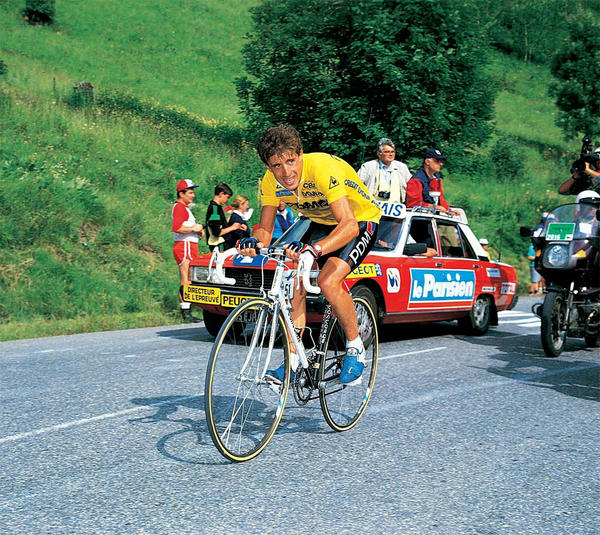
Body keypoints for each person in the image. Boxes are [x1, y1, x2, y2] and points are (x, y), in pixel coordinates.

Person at [237, 124, 381, 385]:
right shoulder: (270, 182)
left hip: (358, 221)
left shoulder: (322, 170)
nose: (287, 172)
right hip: (319, 220)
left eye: (291, 161)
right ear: (269, 167)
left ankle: (355, 346)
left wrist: (315, 248)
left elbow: (347, 225)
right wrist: (252, 240)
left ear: (300, 154)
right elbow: (266, 230)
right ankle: (293, 360)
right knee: (294, 283)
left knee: (328, 281)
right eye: (277, 166)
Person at [172, 179, 204, 322]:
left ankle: (187, 310)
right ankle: (185, 312)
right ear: (181, 193)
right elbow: (176, 227)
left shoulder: (184, 208)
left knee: (189, 279)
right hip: (184, 246)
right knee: (186, 279)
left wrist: (197, 231)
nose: (193, 196)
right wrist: (193, 229)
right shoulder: (179, 207)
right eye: (190, 192)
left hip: (188, 245)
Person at [357, 137, 411, 203]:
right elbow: (356, 185)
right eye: (387, 152)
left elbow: (411, 186)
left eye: (392, 152)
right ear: (379, 154)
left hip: (396, 209)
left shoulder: (402, 167)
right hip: (372, 207)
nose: (390, 154)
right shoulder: (368, 167)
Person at [405, 148, 458, 215]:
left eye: (441, 161)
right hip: (419, 219)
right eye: (437, 161)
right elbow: (413, 204)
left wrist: (449, 210)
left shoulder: (436, 178)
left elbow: (440, 200)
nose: (441, 164)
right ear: (427, 162)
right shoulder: (416, 180)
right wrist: (436, 207)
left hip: (433, 217)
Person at [205, 182, 245, 250]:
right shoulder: (214, 209)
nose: (228, 200)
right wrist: (232, 227)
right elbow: (216, 233)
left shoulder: (218, 207)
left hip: (222, 244)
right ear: (221, 194)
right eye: (227, 197)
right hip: (219, 246)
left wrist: (237, 226)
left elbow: (222, 226)